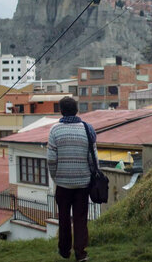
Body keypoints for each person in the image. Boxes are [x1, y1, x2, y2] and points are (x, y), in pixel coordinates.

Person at [48, 97, 98, 262]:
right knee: (80, 218)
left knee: (63, 218)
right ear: (77, 110)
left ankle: (64, 251)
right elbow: (94, 159)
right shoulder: (87, 128)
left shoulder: (55, 130)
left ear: (61, 110)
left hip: (62, 183)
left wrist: (56, 177)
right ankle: (81, 253)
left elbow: (51, 159)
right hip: (82, 183)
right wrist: (90, 175)